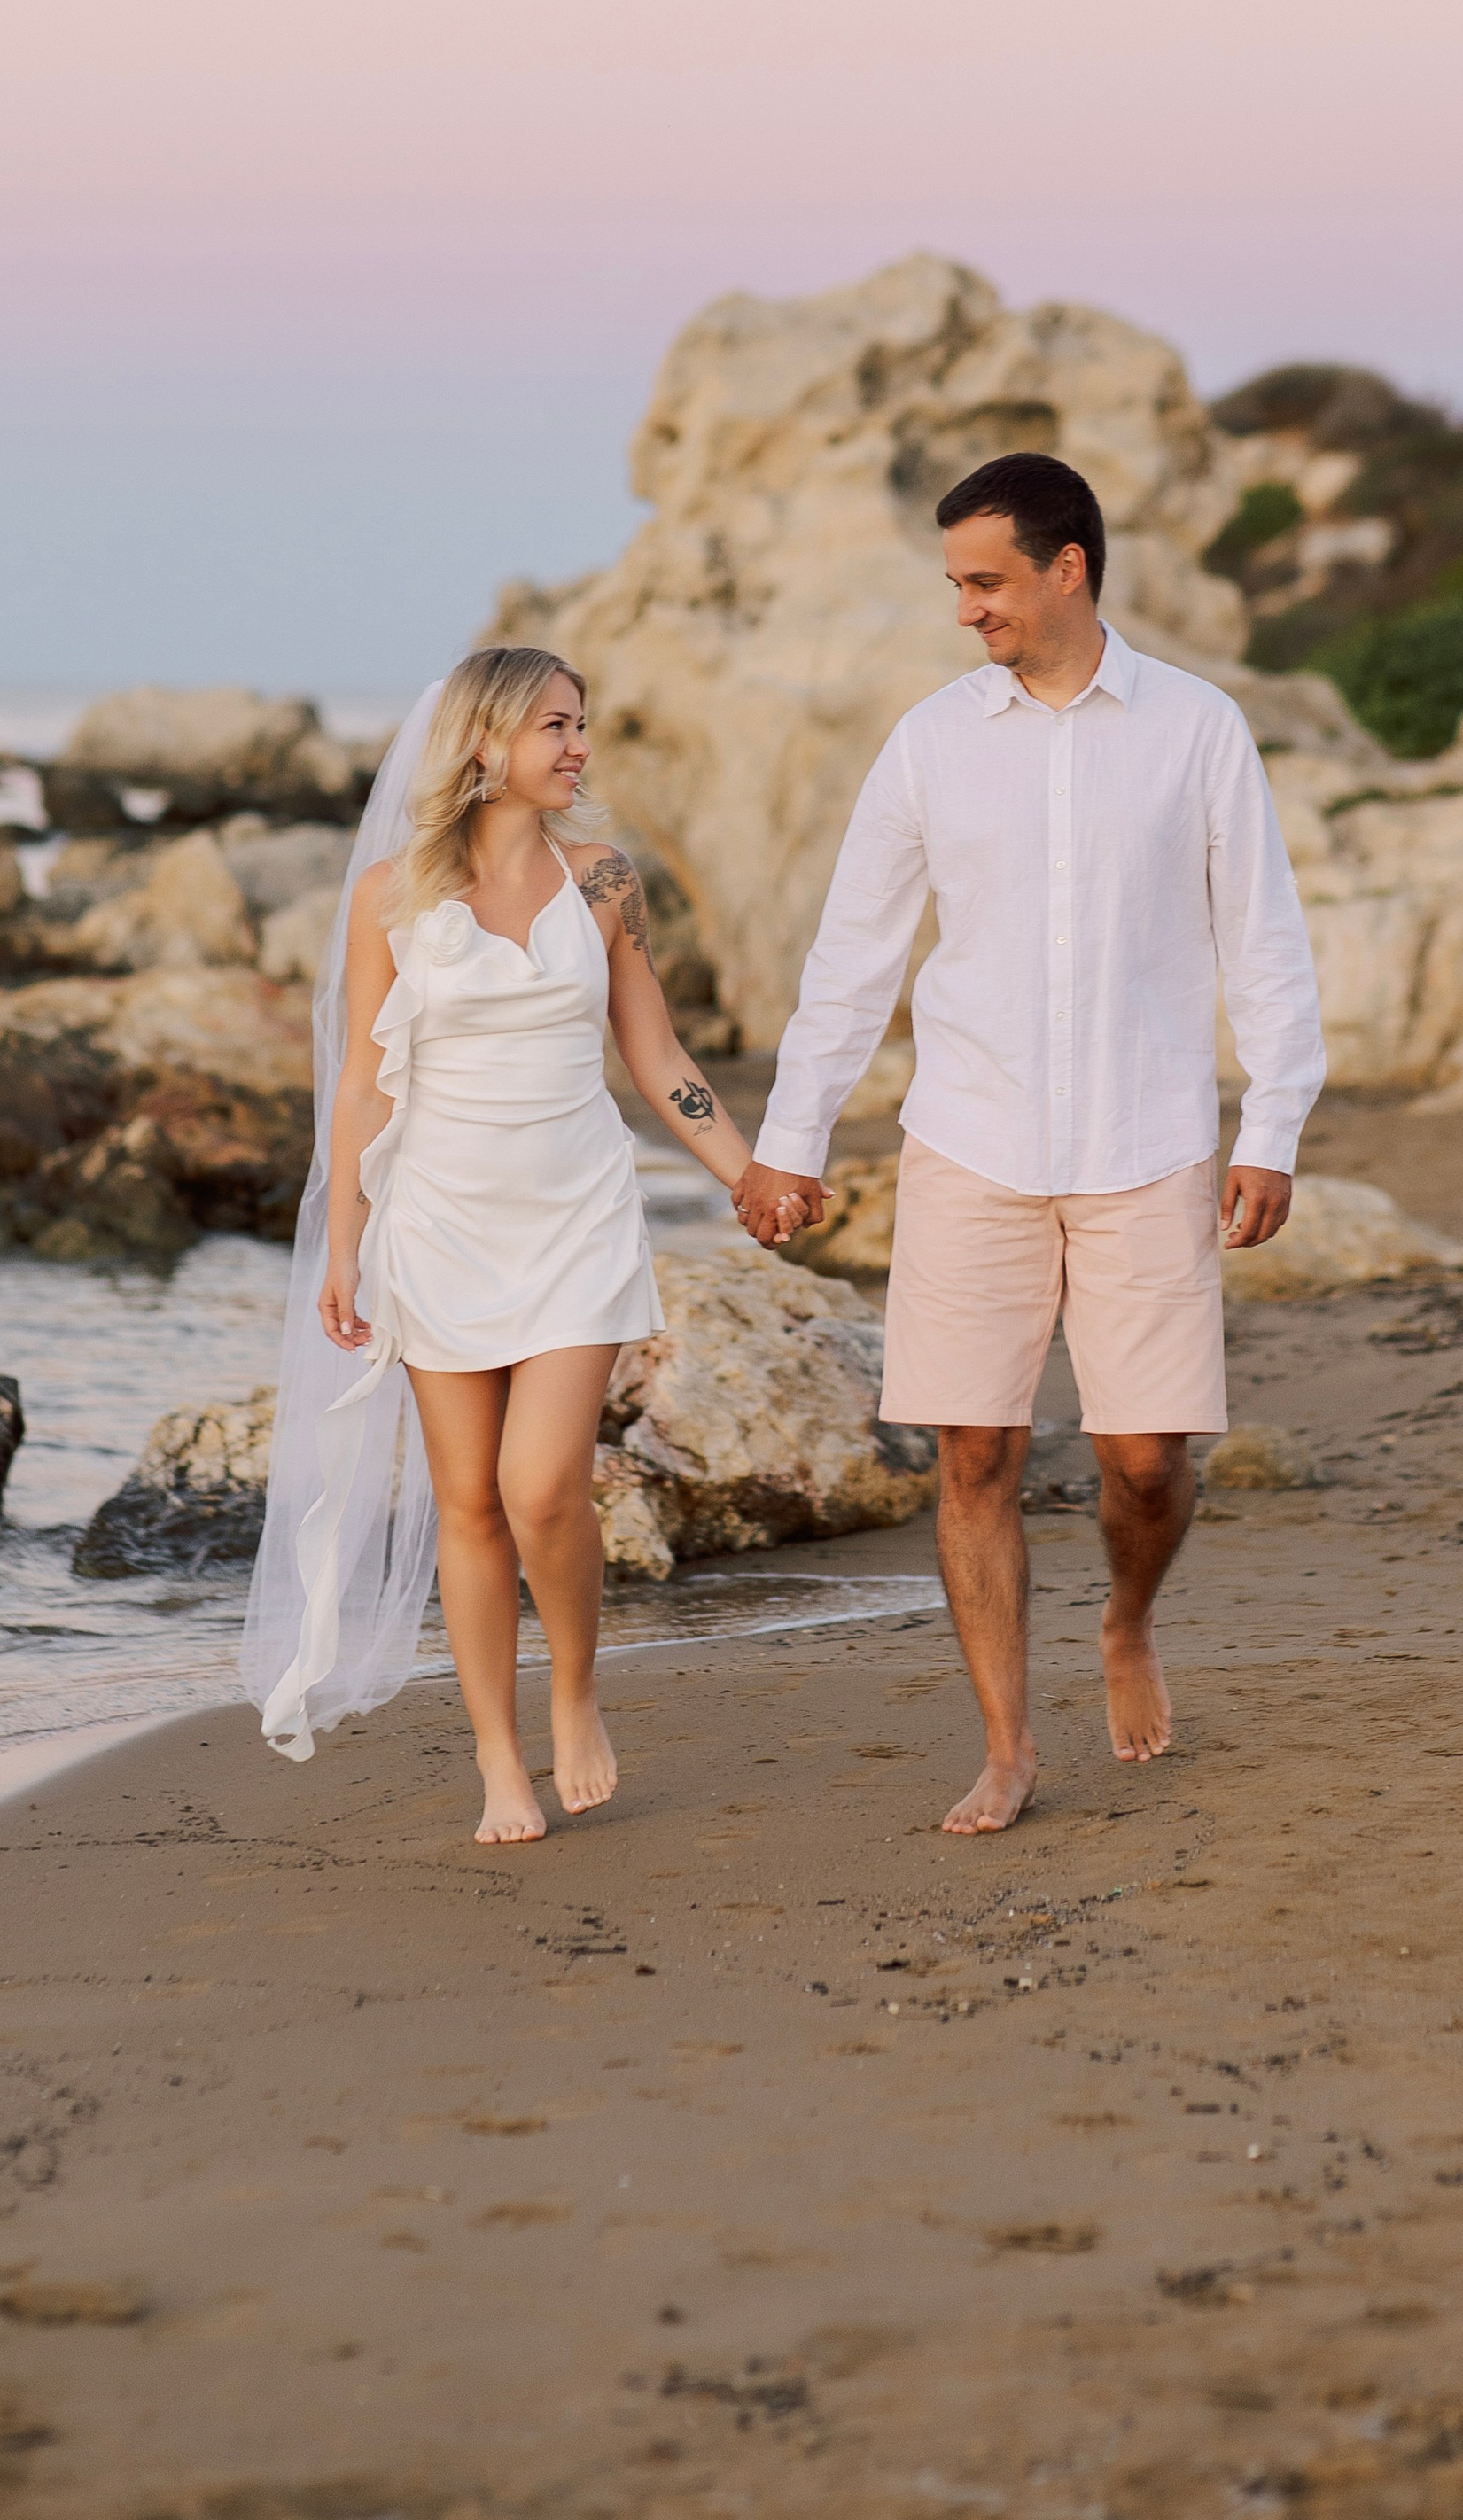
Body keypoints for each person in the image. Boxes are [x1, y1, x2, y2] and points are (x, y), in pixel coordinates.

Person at [734, 453, 1325, 1836]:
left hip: (1150, 1138)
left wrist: (1274, 1125)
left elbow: (1267, 944)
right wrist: (788, 1143)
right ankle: (1007, 1746)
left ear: (1070, 567)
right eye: (955, 584)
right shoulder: (932, 742)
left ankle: (1127, 1619)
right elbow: (852, 958)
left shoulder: (1197, 728)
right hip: (972, 1141)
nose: (966, 611)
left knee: (1144, 1461)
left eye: (986, 581)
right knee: (976, 1456)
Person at [241, 646, 793, 1844]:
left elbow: (655, 1055)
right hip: (438, 1222)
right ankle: (498, 1757)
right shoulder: (392, 894)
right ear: (486, 743)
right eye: (555, 725)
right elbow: (362, 1087)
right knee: (468, 1503)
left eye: (580, 724)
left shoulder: (603, 883)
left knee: (542, 1489)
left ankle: (578, 1695)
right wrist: (344, 1245)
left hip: (576, 1215)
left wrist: (747, 1171)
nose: (578, 747)